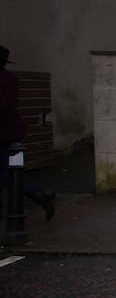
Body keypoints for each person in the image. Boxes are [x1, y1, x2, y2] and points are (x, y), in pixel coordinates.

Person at [0, 45, 55, 221]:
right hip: (14, 129)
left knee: (6, 172)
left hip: (4, 131)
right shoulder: (10, 78)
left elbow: (2, 107)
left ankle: (37, 195)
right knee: (10, 170)